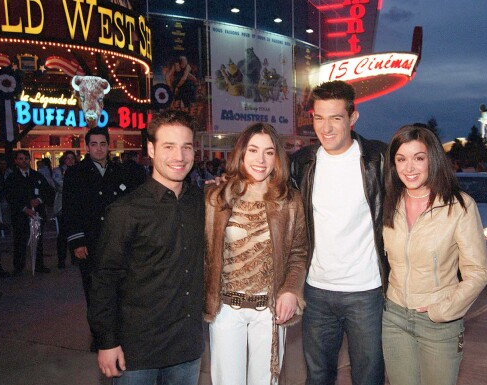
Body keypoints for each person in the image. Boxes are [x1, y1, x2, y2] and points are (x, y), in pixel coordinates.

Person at [88, 110, 204, 384]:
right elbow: (103, 279)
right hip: (136, 352)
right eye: (169, 146)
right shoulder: (125, 211)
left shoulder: (202, 203)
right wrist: (106, 341)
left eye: (186, 147)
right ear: (151, 149)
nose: (179, 156)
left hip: (187, 349)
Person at [289, 80, 389, 385]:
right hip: (317, 292)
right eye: (319, 118)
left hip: (366, 292)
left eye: (336, 118)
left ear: (353, 117)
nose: (326, 128)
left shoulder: (379, 159)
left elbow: (419, 195)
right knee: (318, 378)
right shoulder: (302, 163)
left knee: (368, 377)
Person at [381, 125, 487, 385]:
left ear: (433, 159)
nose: (410, 168)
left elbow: (478, 271)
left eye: (419, 158)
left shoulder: (459, 207)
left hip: (439, 323)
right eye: (401, 159)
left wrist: (443, 311)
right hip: (395, 318)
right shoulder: (388, 203)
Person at [204, 122, 308, 385]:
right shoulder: (216, 198)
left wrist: (291, 290)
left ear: (277, 158)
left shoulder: (290, 201)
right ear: (241, 153)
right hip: (226, 310)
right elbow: (203, 252)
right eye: (253, 150)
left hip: (269, 310)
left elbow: (298, 253)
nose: (260, 160)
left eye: (269, 152)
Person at [62, 127, 128, 309]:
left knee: (118, 291)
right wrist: (77, 242)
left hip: (116, 242)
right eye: (94, 144)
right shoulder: (76, 173)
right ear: (87, 148)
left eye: (102, 144)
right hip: (90, 241)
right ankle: (99, 334)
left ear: (108, 146)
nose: (98, 149)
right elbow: (70, 209)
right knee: (94, 291)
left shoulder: (118, 171)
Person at [5, 150, 54, 275]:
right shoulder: (12, 178)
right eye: (21, 159)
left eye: (26, 158)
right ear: (16, 161)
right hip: (20, 215)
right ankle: (19, 267)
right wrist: (24, 208)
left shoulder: (37, 176)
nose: (24, 161)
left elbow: (48, 192)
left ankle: (39, 265)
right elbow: (10, 196)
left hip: (37, 214)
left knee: (38, 240)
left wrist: (39, 200)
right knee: (20, 240)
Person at [52, 151, 77, 269]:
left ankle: (75, 257)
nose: (70, 161)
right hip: (62, 205)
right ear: (63, 159)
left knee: (76, 233)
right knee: (62, 234)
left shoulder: (79, 171)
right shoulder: (58, 171)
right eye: (68, 158)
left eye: (72, 158)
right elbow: (60, 185)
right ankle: (61, 259)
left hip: (76, 206)